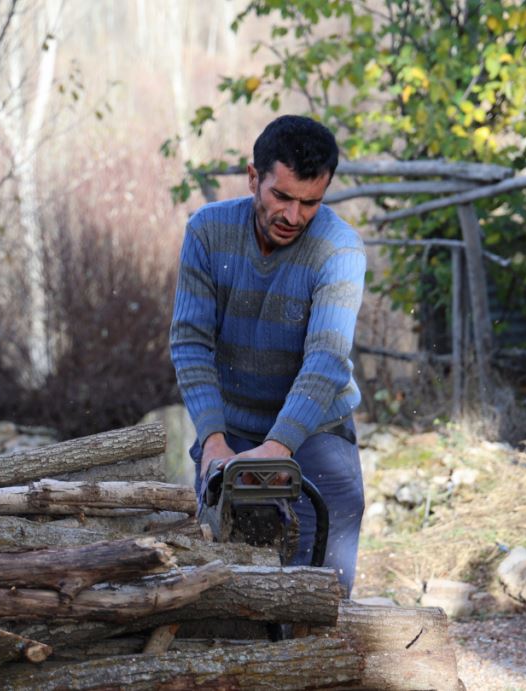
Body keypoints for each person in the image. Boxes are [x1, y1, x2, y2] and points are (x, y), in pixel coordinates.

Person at [170, 114, 367, 595]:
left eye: (310, 203)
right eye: (282, 197)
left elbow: (325, 360)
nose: (294, 216)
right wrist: (213, 441)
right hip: (232, 426)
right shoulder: (208, 233)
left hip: (315, 427)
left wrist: (279, 448)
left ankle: (320, 655)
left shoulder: (339, 250)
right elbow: (191, 341)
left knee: (324, 575)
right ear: (253, 177)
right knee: (227, 571)